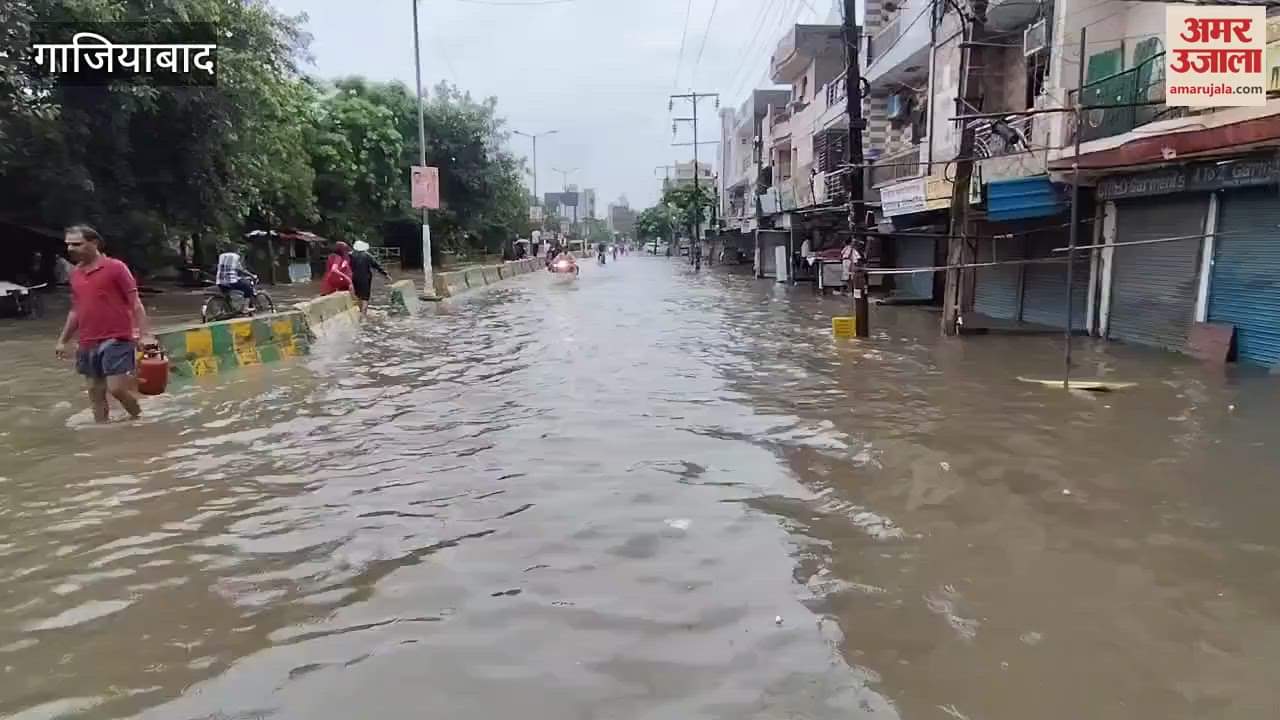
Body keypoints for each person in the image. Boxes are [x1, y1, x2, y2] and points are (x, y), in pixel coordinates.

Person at [54, 225, 154, 423]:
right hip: (87, 341)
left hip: (116, 337)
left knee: (116, 389)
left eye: (77, 244)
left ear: (94, 243)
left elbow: (135, 303)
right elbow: (76, 310)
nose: (71, 249)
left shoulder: (116, 268)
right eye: (68, 245)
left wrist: (145, 335)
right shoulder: (75, 274)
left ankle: (139, 418)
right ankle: (102, 431)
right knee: (94, 392)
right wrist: (62, 340)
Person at [349, 240, 391, 316]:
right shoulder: (367, 255)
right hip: (365, 278)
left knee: (358, 295)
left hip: (354, 278)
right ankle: (364, 315)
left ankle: (361, 311)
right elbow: (376, 265)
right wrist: (385, 274)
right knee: (365, 298)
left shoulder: (351, 255)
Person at [215, 246, 257, 312]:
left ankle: (229, 310)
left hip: (220, 281)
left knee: (227, 294)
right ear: (235, 250)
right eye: (239, 250)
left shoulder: (221, 256)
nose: (239, 252)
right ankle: (245, 308)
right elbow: (241, 269)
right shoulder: (235, 256)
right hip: (231, 281)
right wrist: (252, 275)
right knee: (248, 289)